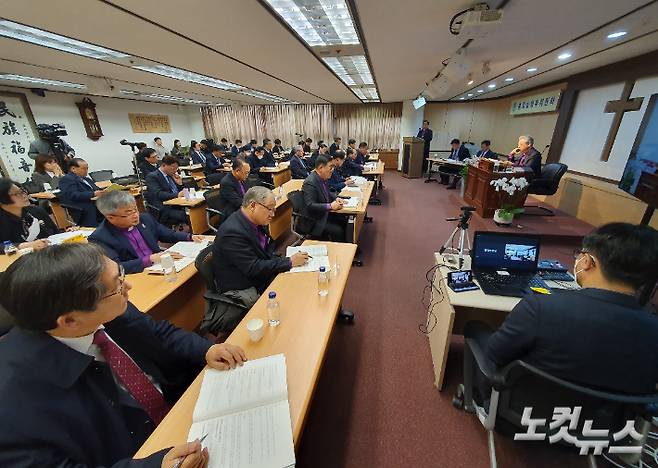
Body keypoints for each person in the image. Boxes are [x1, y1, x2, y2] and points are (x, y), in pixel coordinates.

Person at [0, 242, 246, 467]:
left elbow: (158, 333)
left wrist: (207, 349)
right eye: (117, 285)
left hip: (179, 411)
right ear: (70, 320)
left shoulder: (108, 308)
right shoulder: (15, 402)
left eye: (121, 276)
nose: (127, 286)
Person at [464, 223, 658, 403]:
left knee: (476, 328)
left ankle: (476, 397)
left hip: (524, 415)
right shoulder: (653, 329)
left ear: (588, 261)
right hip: (608, 429)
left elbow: (496, 353)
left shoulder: (540, 306)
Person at [212, 186, 309, 299]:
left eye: (274, 210)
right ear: (253, 205)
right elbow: (252, 268)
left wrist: (285, 262)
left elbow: (267, 250)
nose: (273, 215)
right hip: (245, 284)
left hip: (261, 271)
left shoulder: (256, 221)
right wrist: (289, 262)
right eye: (270, 209)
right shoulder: (232, 232)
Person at [90, 191, 203, 274]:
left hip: (162, 266)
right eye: (129, 213)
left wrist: (190, 237)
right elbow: (116, 268)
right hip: (137, 275)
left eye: (136, 209)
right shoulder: (100, 238)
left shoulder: (145, 219)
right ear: (110, 217)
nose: (135, 215)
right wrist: (150, 259)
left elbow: (167, 234)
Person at [0, 178, 59, 250]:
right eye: (17, 194)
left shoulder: (37, 211)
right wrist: (22, 246)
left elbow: (56, 233)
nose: (24, 195)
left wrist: (70, 232)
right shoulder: (3, 221)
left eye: (22, 191)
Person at [301, 156, 347, 242]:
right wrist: (330, 206)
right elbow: (310, 205)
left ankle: (349, 246)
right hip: (314, 220)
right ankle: (339, 253)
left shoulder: (322, 178)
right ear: (321, 168)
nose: (332, 170)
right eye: (330, 167)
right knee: (338, 230)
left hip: (323, 214)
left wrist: (337, 198)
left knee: (344, 220)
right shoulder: (310, 182)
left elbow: (327, 193)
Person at [144, 155, 188, 226]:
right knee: (186, 215)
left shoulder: (170, 175)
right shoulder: (152, 176)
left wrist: (180, 184)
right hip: (165, 207)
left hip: (177, 203)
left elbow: (178, 190)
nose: (175, 170)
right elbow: (158, 193)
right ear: (164, 165)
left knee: (195, 210)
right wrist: (177, 195)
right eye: (173, 168)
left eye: (176, 168)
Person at [59, 158, 103, 227]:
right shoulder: (67, 179)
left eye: (87, 169)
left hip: (97, 204)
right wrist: (93, 194)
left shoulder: (87, 179)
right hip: (83, 207)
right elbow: (73, 195)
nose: (86, 171)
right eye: (84, 169)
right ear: (73, 169)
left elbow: (97, 189)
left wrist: (103, 192)